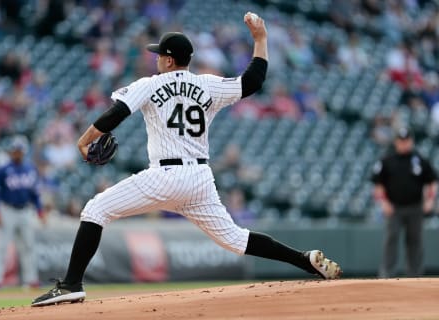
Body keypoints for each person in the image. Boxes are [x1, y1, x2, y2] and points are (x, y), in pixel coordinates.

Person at [32, 12, 342, 307]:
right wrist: (260, 39)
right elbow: (253, 81)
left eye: (159, 55)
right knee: (235, 239)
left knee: (95, 209)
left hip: (165, 176)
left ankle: (71, 285)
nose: (156, 58)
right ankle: (304, 260)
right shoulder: (207, 83)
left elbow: (117, 113)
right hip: (199, 180)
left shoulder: (150, 84)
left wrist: (85, 140)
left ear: (168, 59)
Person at [371, 127, 437, 278]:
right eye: (401, 141)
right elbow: (378, 184)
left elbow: (432, 180)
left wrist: (430, 200)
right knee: (391, 239)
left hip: (415, 207)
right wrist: (384, 203)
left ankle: (415, 275)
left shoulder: (419, 159)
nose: (404, 144)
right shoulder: (387, 160)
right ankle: (386, 274)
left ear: (411, 141)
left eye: (407, 140)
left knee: (415, 241)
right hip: (394, 207)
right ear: (396, 142)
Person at [0, 135, 46, 288]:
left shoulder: (30, 168)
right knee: (2, 246)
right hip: (7, 209)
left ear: (24, 151)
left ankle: (31, 279)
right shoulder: (3, 169)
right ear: (10, 151)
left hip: (26, 210)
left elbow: (35, 193)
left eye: (19, 150)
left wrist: (40, 211)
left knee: (28, 245)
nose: (17, 153)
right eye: (14, 150)